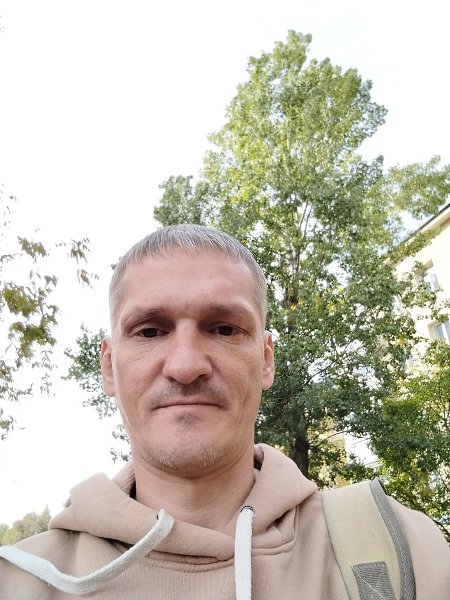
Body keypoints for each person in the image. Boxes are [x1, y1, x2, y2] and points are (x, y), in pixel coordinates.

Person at [1, 224, 449, 599]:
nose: (185, 366)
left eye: (224, 329)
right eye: (150, 331)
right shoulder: (20, 580)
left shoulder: (407, 552)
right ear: (109, 367)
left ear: (266, 361)